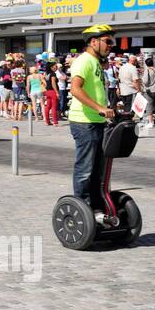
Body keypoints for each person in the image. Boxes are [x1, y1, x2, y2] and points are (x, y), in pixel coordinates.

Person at [68, 24, 117, 203]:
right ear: (94, 42)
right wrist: (100, 108)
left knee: (98, 169)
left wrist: (110, 108)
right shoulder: (84, 61)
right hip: (84, 122)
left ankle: (97, 204)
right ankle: (82, 206)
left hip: (97, 121)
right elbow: (75, 89)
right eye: (107, 41)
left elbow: (95, 90)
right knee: (86, 169)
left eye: (112, 41)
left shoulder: (96, 62)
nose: (110, 45)